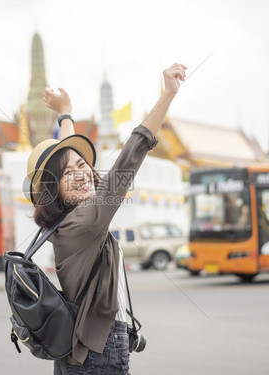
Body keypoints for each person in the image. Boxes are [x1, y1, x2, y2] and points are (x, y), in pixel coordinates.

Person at [27, 63, 187, 374]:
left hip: (81, 353)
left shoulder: (64, 221)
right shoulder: (86, 222)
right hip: (98, 357)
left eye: (83, 164)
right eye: (67, 175)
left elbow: (71, 162)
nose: (82, 173)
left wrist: (65, 115)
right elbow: (130, 157)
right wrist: (167, 94)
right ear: (53, 191)